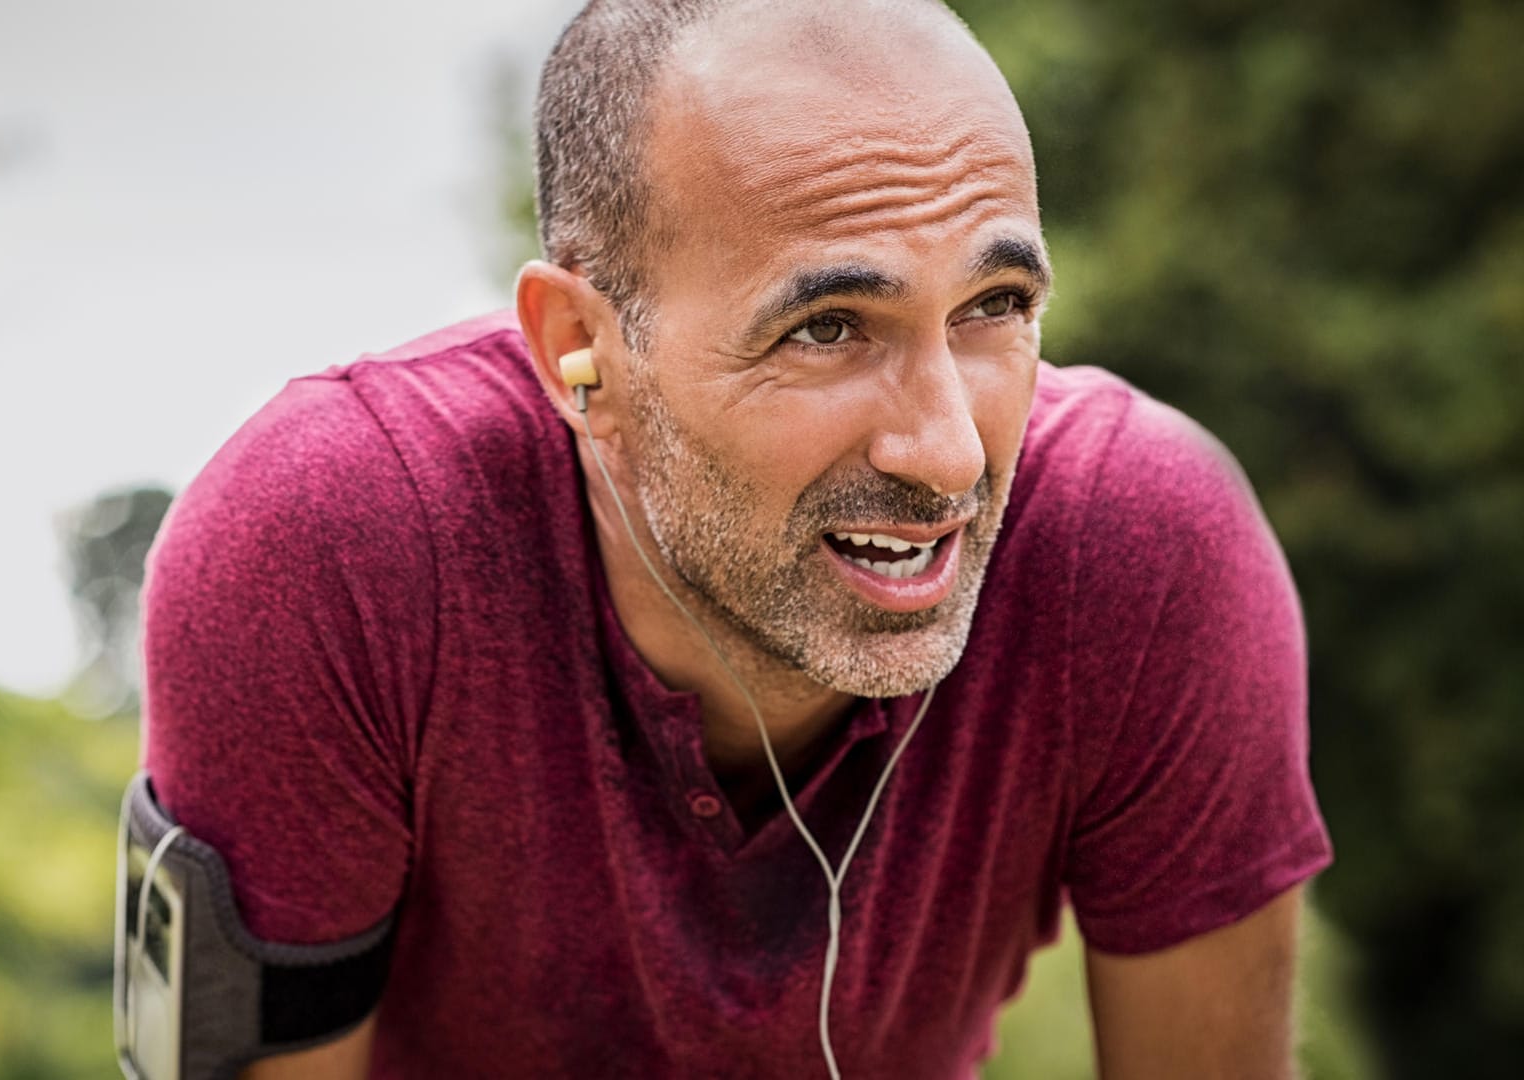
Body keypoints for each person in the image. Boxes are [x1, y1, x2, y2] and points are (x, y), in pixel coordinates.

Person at [139, 0, 1332, 1076]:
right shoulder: (332, 546)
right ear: (579, 351)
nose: (951, 455)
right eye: (826, 328)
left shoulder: (1145, 549)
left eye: (994, 308)